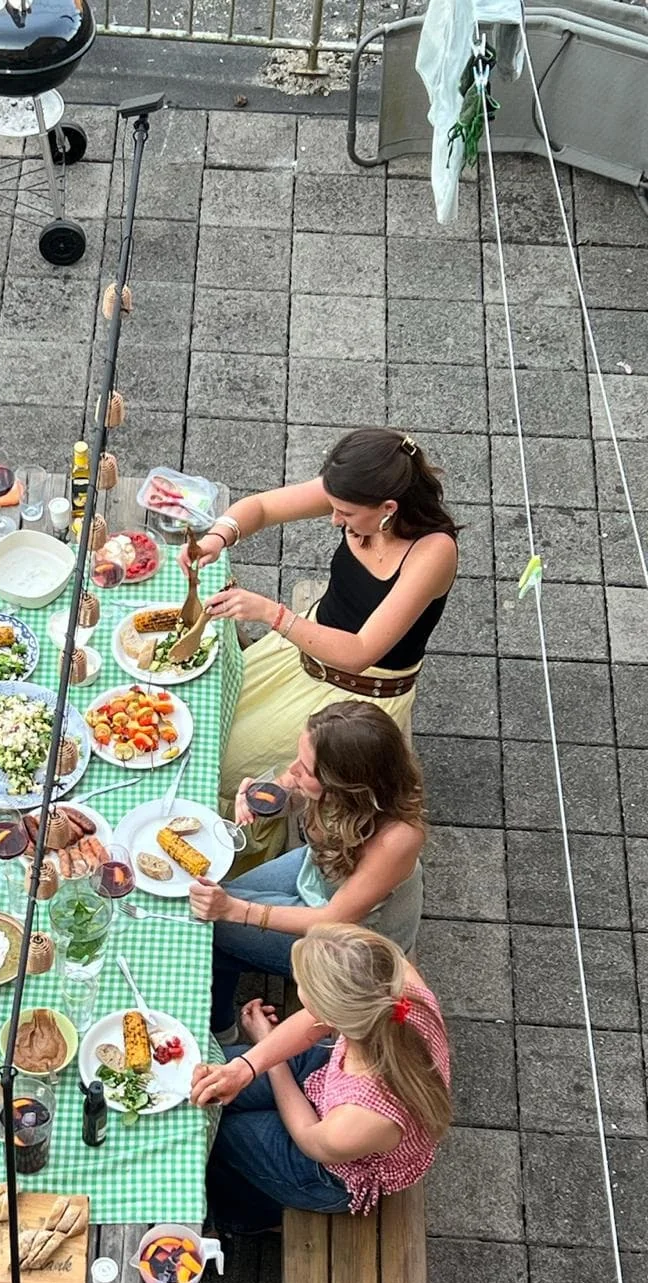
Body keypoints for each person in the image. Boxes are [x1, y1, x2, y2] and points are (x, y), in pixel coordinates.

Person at [179, 427, 458, 831]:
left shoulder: (433, 553)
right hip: (300, 651)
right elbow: (261, 508)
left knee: (217, 765)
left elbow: (361, 651)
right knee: (199, 718)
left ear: (389, 508)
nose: (333, 519)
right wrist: (218, 538)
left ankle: (239, 847)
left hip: (353, 696)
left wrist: (271, 614)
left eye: (345, 514)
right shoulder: (362, 487)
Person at [189, 703, 426, 1043]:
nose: (293, 769)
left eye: (307, 770)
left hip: (354, 940)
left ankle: (223, 1031)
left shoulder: (397, 838)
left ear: (346, 784)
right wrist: (261, 796)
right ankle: (223, 1014)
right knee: (214, 902)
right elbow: (287, 789)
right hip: (317, 870)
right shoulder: (335, 776)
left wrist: (235, 911)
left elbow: (334, 918)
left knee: (214, 927)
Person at [191, 923, 451, 1233]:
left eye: (304, 988)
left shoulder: (363, 1118)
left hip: (327, 1169)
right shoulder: (394, 982)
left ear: (331, 1018)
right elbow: (315, 1018)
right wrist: (246, 1066)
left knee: (218, 1133)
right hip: (328, 1078)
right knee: (212, 1086)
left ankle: (245, 1217)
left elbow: (309, 1137)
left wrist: (271, 1057)